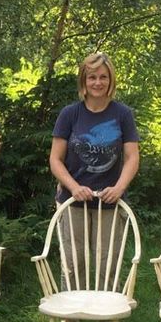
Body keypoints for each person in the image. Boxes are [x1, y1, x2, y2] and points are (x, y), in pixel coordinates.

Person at [49, 52, 140, 302]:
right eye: (92, 77)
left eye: (103, 77)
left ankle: (105, 309)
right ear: (84, 81)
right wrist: (74, 187)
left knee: (107, 259)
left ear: (111, 81)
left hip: (110, 201)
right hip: (72, 200)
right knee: (73, 258)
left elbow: (132, 157)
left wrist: (119, 188)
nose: (97, 82)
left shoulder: (122, 114)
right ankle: (72, 310)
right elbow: (55, 160)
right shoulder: (70, 114)